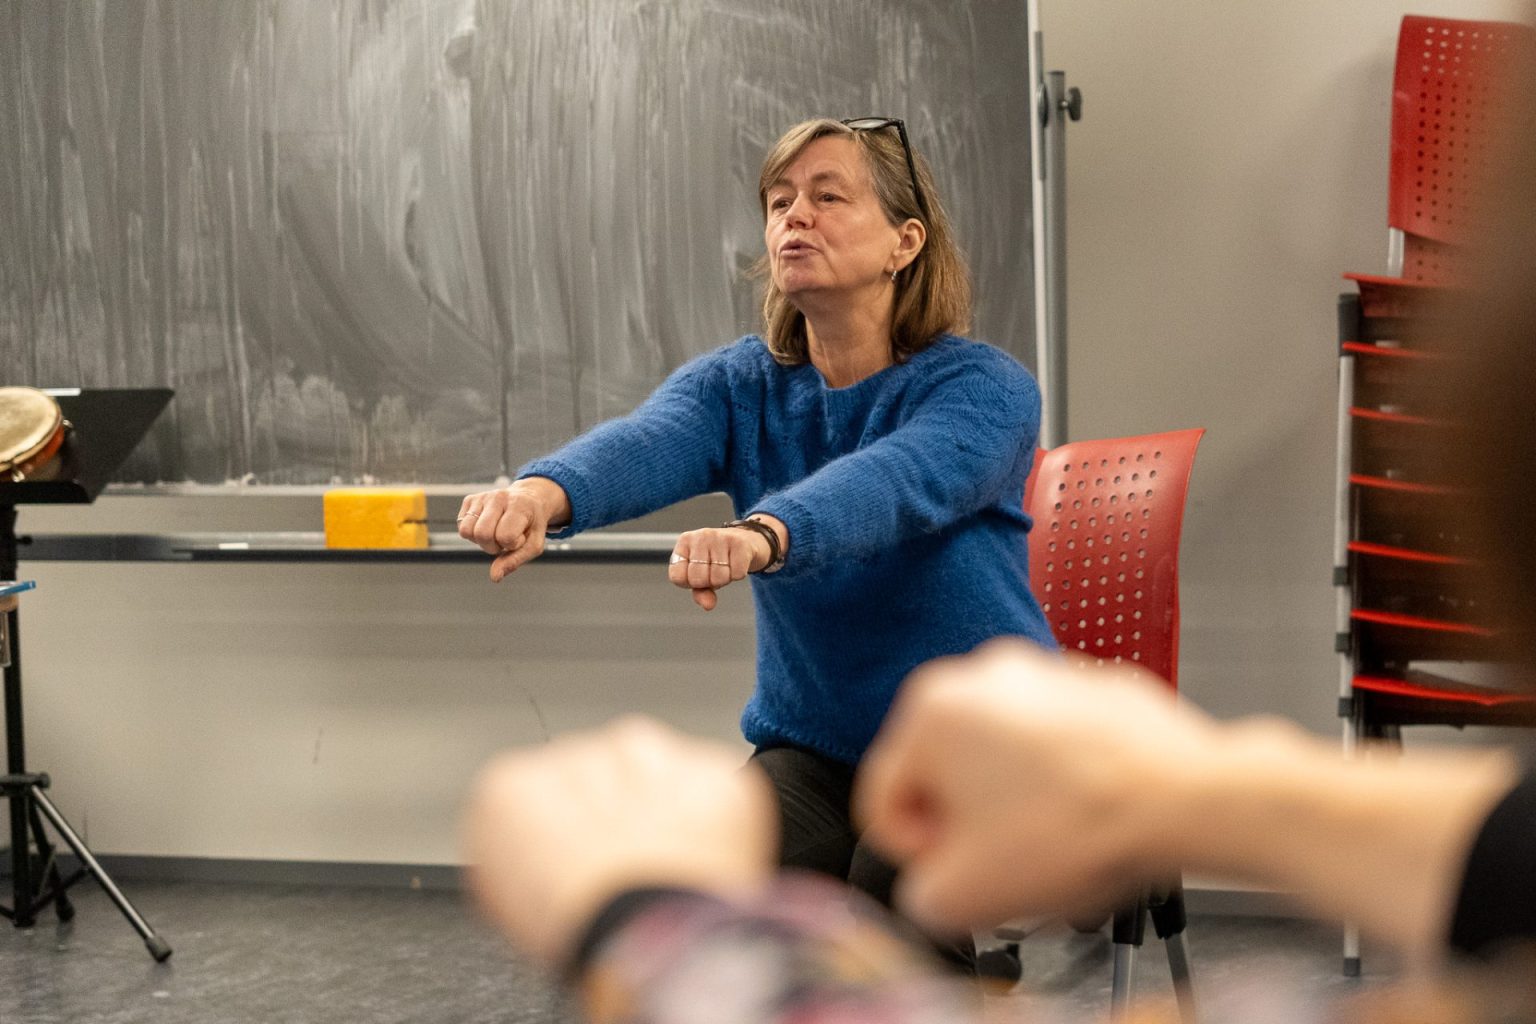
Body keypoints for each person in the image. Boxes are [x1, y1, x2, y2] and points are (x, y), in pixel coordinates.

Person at [457, 117, 1054, 938]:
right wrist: (539, 493)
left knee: (895, 897)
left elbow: (899, 479)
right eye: (778, 202)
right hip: (818, 754)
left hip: (981, 752)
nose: (792, 218)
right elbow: (649, 441)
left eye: (827, 196)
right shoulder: (742, 384)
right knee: (716, 891)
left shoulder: (987, 390)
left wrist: (765, 532)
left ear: (903, 243)